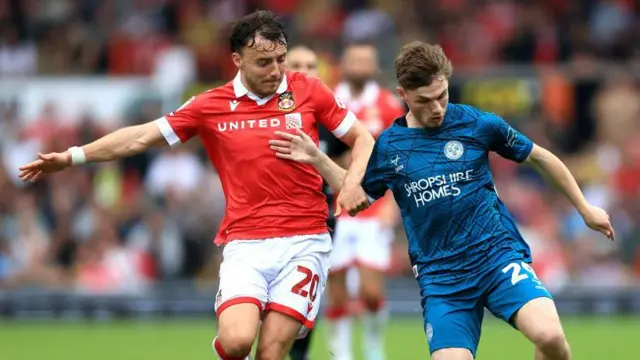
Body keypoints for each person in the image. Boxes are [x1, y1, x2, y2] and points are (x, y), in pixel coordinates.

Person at [18, 11, 376, 360]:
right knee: (236, 343)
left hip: (305, 241)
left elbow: (362, 138)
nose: (276, 71)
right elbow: (141, 137)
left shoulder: (309, 90)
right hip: (246, 244)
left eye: (281, 59)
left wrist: (352, 182)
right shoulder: (211, 105)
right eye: (263, 62)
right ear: (237, 60)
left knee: (270, 352)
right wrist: (73, 156)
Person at [268, 41, 615, 360]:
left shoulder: (476, 123)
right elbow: (352, 194)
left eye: (442, 96)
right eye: (424, 101)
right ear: (403, 93)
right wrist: (318, 158)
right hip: (442, 279)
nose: (437, 108)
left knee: (551, 337)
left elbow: (541, 157)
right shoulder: (389, 147)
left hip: (496, 258)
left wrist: (585, 208)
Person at [326, 42, 405, 360]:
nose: (360, 66)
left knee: (371, 292)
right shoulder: (330, 100)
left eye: (366, 61)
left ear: (374, 67)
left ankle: (373, 345)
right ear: (344, 64)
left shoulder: (387, 105)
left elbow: (399, 157)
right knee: (338, 287)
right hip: (335, 207)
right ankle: (340, 352)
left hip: (374, 207)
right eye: (354, 60)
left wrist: (392, 204)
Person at [285, 44, 329, 360]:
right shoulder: (268, 112)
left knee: (307, 300)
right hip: (271, 220)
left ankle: (304, 353)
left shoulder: (329, 115)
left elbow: (353, 158)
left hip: (323, 221)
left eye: (311, 65)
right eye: (296, 64)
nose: (304, 70)